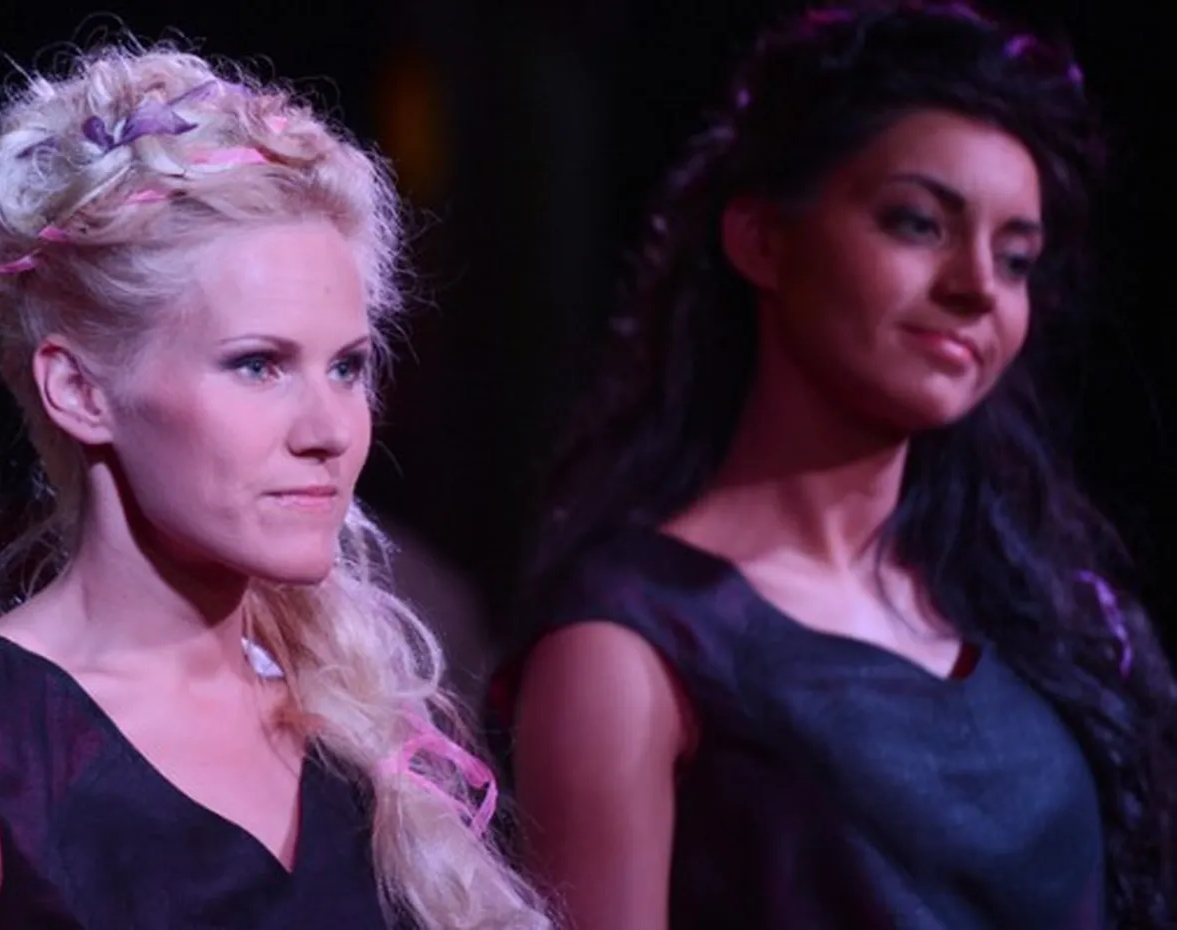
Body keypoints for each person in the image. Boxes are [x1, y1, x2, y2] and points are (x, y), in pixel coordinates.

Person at [0, 43, 549, 930]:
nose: (328, 430)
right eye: (258, 365)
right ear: (79, 390)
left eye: (347, 367)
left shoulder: (355, 733)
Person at [492, 3, 1177, 929]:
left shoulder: (1037, 613)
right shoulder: (629, 644)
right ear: (762, 240)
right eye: (918, 223)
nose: (978, 286)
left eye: (1016, 258)